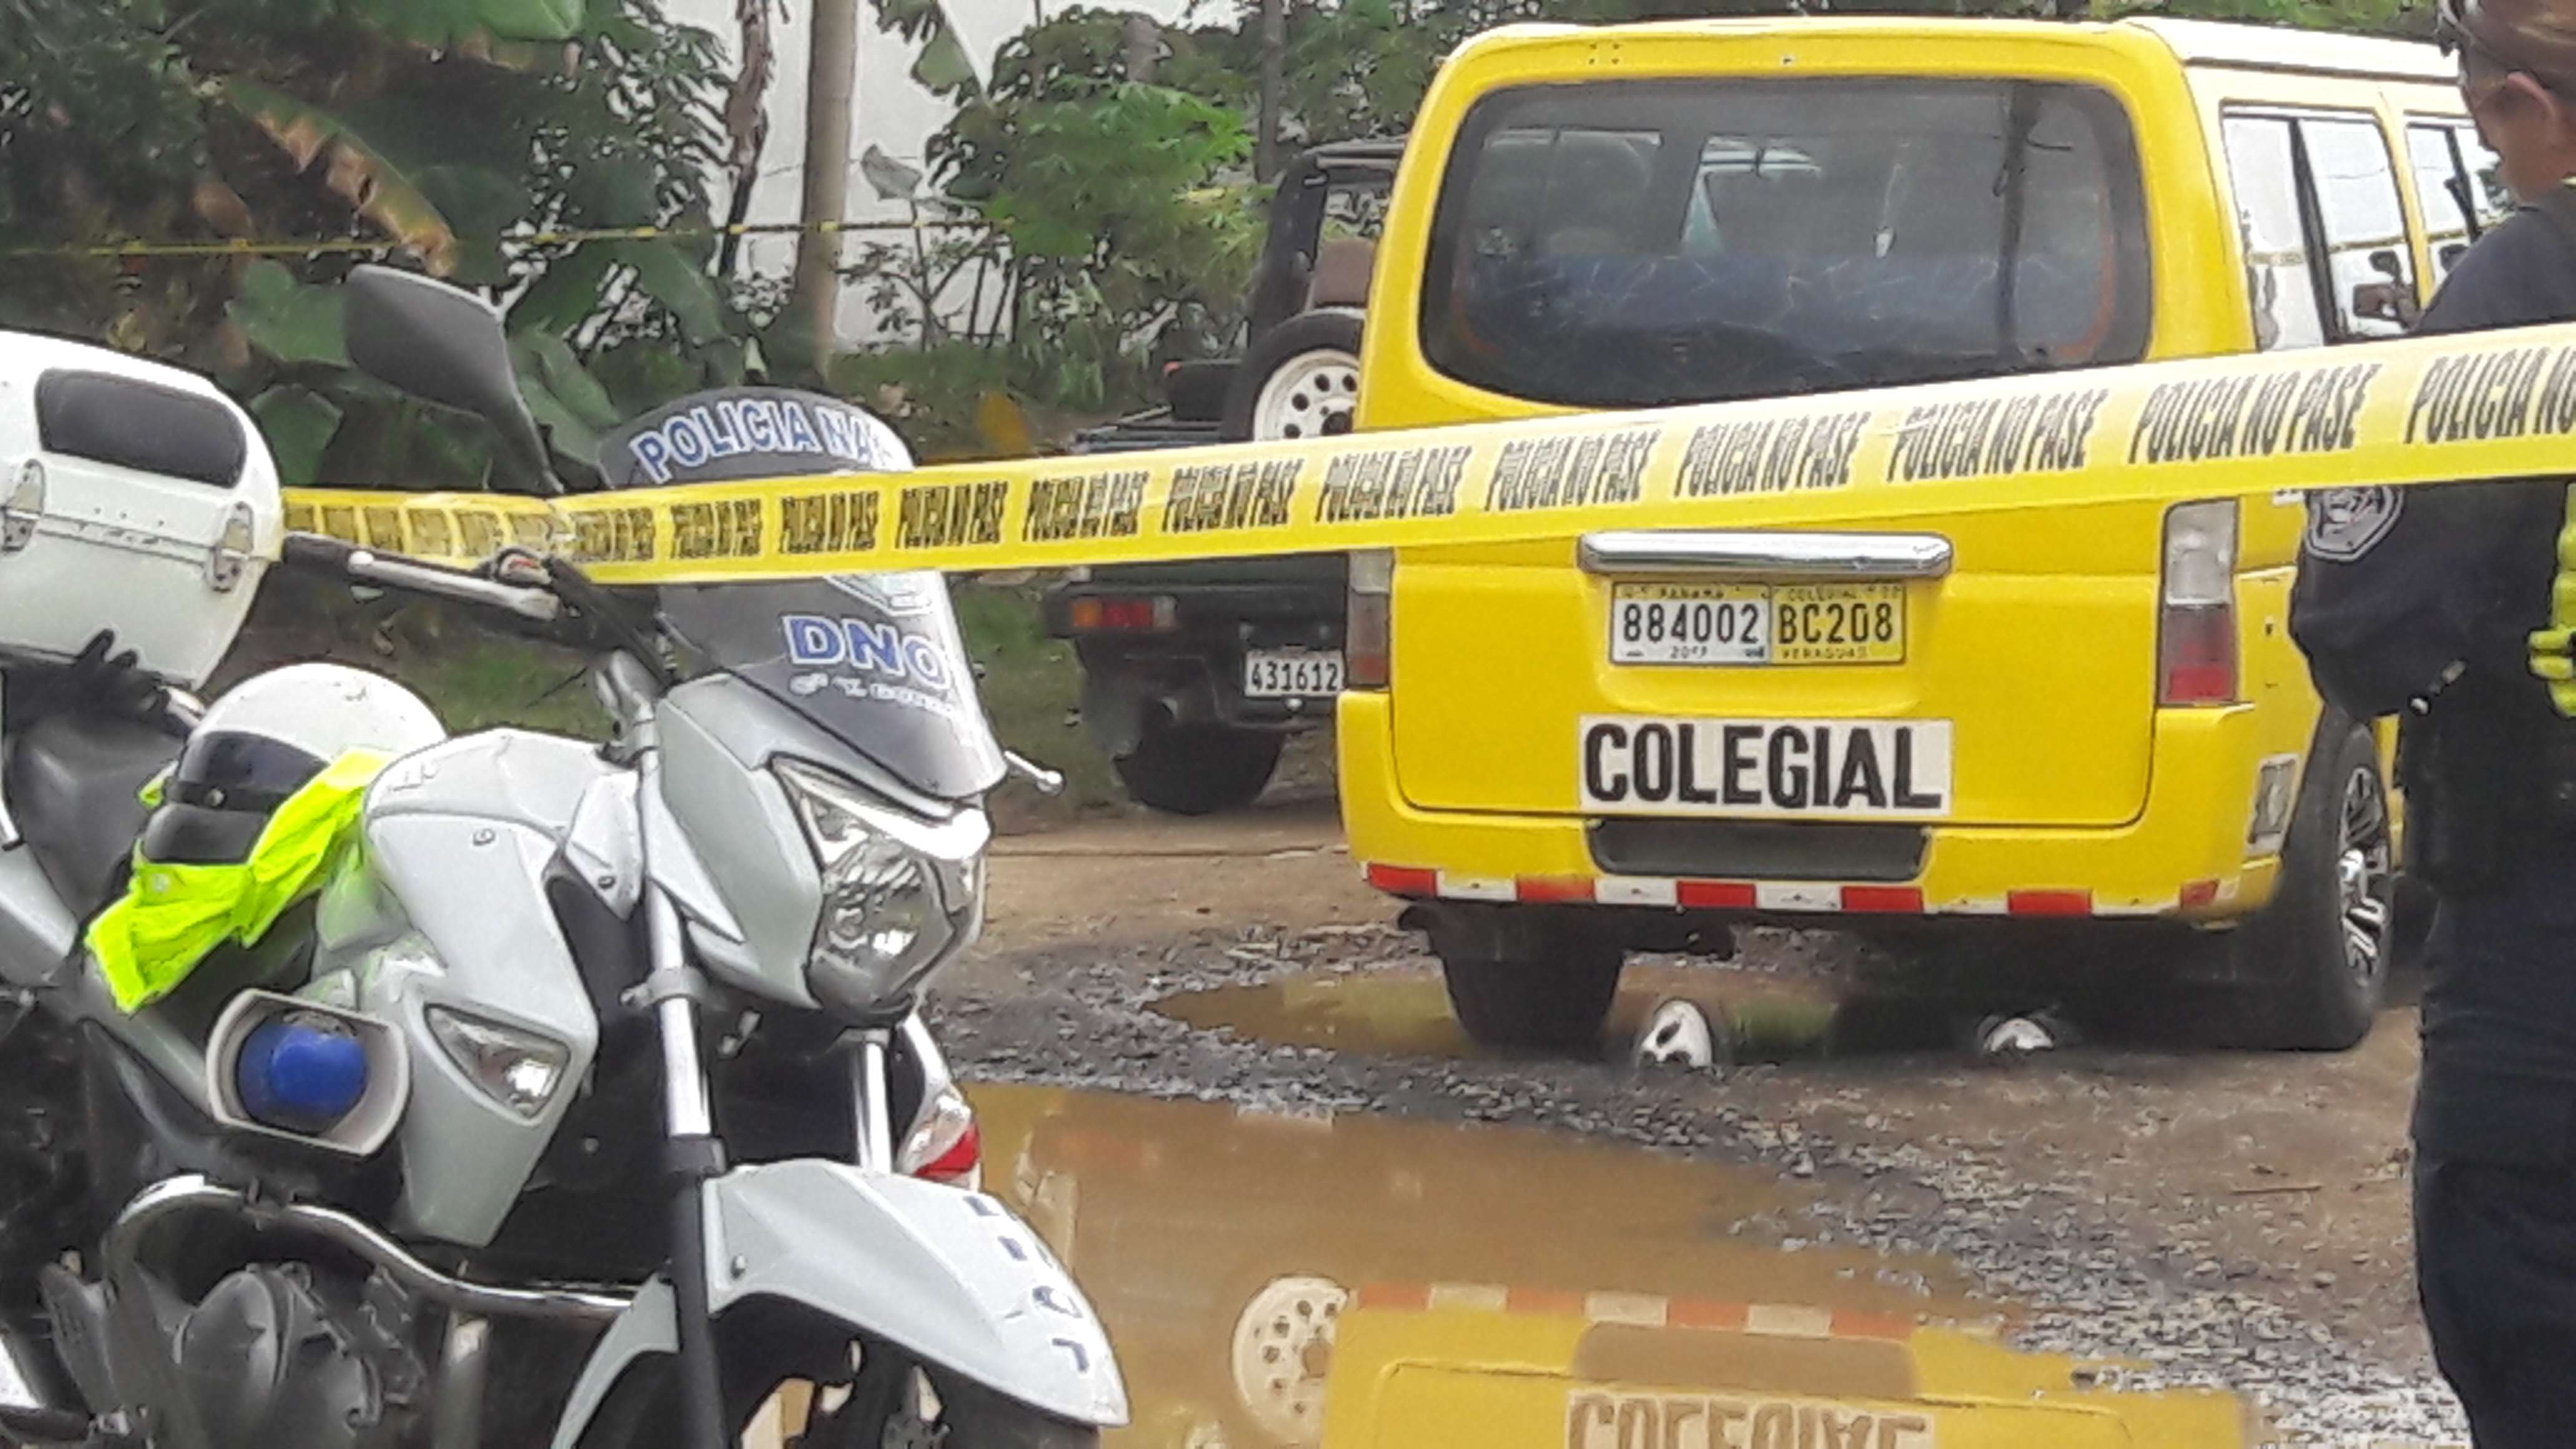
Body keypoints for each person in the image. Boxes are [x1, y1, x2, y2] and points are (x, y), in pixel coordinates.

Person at [2288, 1, 2576, 1442]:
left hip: (2548, 935)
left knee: (2528, 1330)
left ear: (2528, 103)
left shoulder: (2521, 288)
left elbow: (2358, 623)